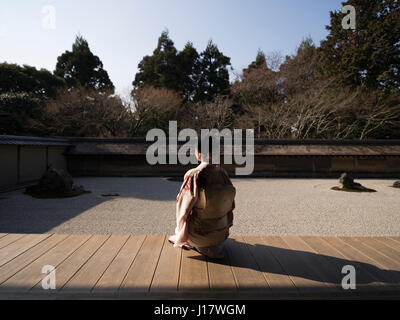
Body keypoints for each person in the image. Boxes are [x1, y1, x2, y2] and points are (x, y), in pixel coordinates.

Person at [169, 137, 236, 259]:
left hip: (199, 235)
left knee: (183, 216)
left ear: (199, 154)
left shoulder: (194, 174)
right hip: (221, 234)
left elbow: (182, 211)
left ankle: (192, 241)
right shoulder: (223, 174)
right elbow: (230, 206)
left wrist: (180, 232)